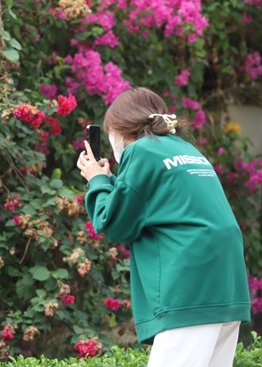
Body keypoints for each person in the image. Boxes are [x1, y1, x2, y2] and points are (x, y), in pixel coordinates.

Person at [76, 87, 250, 367]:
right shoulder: (186, 149)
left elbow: (114, 224)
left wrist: (97, 180)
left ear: (120, 129)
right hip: (226, 286)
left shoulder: (141, 151)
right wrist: (109, 181)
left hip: (189, 290)